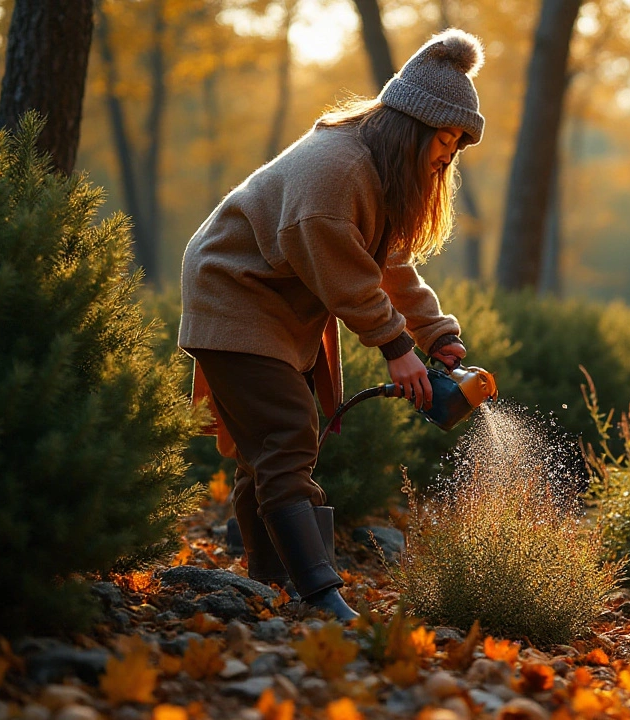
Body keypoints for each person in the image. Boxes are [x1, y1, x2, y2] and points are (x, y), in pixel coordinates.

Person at [178, 29, 486, 620]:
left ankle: (274, 585)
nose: (448, 155)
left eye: (457, 146)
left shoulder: (377, 175)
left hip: (274, 306)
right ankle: (321, 595)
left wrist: (436, 336)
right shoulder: (335, 172)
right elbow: (346, 277)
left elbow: (391, 266)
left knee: (265, 450)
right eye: (444, 139)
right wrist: (396, 346)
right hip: (234, 296)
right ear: (411, 127)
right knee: (287, 437)